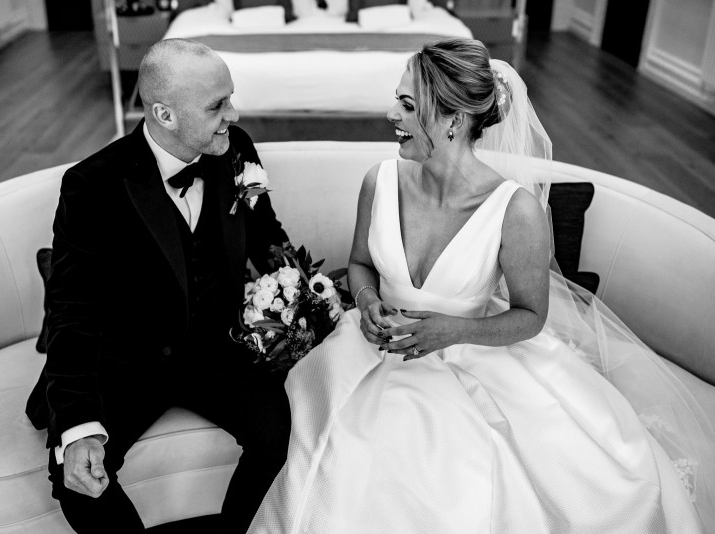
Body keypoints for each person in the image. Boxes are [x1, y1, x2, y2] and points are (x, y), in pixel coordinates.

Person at [249, 38, 714, 533]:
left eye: (407, 105)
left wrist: (452, 331)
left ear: (453, 120)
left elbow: (530, 315)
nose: (391, 114)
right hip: (368, 355)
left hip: (470, 358)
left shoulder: (516, 211)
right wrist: (365, 300)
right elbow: (359, 263)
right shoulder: (379, 180)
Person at [25, 39, 291, 534]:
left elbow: (267, 239)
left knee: (279, 434)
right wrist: (79, 423)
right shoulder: (92, 185)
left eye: (229, 98)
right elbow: (72, 311)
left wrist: (303, 297)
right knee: (77, 479)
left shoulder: (237, 151)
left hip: (220, 350)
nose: (232, 114)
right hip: (126, 362)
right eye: (217, 105)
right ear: (165, 114)